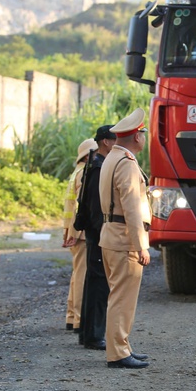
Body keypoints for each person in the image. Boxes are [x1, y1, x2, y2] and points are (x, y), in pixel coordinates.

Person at [99, 108, 152, 369]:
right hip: (124, 239)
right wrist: (141, 245)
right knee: (122, 299)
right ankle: (118, 353)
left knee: (118, 296)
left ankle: (122, 346)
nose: (144, 138)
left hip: (111, 235)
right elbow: (132, 209)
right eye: (143, 133)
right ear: (137, 137)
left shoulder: (111, 158)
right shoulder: (127, 163)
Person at [73, 125, 116, 350]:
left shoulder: (96, 163)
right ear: (105, 142)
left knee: (94, 282)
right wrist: (104, 234)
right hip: (98, 233)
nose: (117, 143)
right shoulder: (99, 167)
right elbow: (97, 206)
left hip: (93, 231)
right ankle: (94, 335)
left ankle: (88, 333)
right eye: (114, 138)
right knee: (98, 285)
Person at [62, 138, 97, 332]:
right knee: (82, 276)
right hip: (80, 233)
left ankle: (71, 316)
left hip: (74, 231)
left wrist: (68, 231)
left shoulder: (76, 172)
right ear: (87, 156)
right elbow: (78, 206)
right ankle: (79, 319)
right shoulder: (85, 173)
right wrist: (75, 233)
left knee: (77, 275)